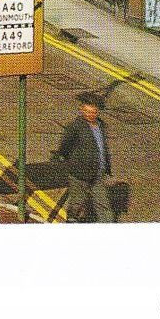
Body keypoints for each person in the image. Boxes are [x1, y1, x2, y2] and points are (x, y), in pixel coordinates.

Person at [53, 95, 116, 223]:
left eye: (93, 112)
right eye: (87, 111)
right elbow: (65, 147)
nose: (90, 114)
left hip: (98, 173)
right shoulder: (75, 127)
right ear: (81, 110)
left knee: (103, 205)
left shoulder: (101, 125)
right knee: (76, 204)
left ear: (97, 112)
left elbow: (103, 147)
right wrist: (71, 163)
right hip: (80, 174)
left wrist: (106, 166)